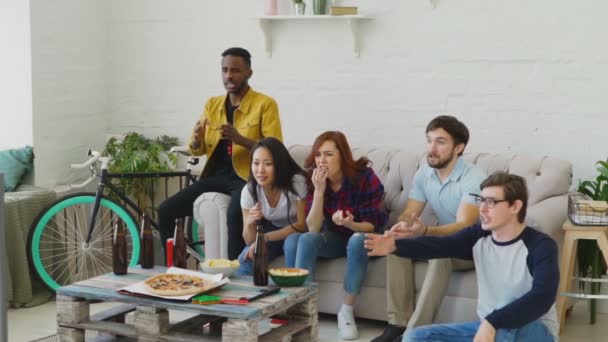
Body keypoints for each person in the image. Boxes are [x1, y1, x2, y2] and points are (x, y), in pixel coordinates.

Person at [365, 172, 559, 342]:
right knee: (415, 337)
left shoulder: (540, 245)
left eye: (491, 202)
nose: (482, 208)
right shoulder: (478, 236)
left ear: (515, 206)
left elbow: (542, 297)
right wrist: (394, 245)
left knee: (501, 333)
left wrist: (492, 322)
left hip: (534, 330)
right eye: (481, 200)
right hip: (488, 327)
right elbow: (441, 246)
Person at [158, 47, 283, 260]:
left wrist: (240, 139)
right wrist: (197, 140)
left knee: (234, 213)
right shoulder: (213, 104)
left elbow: (275, 149)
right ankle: (175, 267)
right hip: (215, 177)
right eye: (224, 70)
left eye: (235, 70)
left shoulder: (265, 104)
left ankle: (234, 271)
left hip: (246, 178)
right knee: (166, 210)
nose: (228, 76)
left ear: (249, 73)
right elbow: (198, 149)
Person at [373, 115, 486, 342]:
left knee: (439, 255)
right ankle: (397, 324)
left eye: (440, 142)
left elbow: (464, 227)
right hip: (445, 239)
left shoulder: (473, 177)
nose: (431, 149)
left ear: (459, 147)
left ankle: (416, 331)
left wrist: (425, 232)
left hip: (472, 246)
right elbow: (409, 212)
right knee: (397, 247)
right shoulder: (424, 173)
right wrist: (400, 229)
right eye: (429, 140)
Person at [283, 131, 388, 340]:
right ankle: (303, 310)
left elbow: (371, 225)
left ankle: (346, 311)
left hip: (366, 236)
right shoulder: (315, 179)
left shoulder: (364, 177)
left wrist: (351, 223)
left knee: (357, 239)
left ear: (343, 156)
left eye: (329, 154)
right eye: (318, 154)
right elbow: (312, 228)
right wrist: (320, 191)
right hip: (336, 237)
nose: (322, 160)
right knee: (299, 239)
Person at [234, 137, 307, 276]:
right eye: (256, 163)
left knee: (291, 244)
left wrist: (265, 238)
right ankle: (246, 296)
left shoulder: (296, 182)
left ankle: (292, 294)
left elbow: (302, 224)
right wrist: (250, 223)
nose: (260, 170)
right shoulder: (249, 190)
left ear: (279, 165)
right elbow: (249, 240)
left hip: (297, 233)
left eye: (268, 164)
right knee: (245, 259)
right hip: (272, 231)